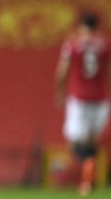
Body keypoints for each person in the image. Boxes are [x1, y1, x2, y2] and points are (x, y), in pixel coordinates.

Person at [56, 12, 110, 197]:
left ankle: (70, 177)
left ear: (81, 25)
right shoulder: (106, 43)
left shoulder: (73, 43)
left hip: (79, 99)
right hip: (100, 99)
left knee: (76, 143)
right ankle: (87, 181)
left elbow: (62, 70)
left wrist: (60, 92)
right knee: (92, 143)